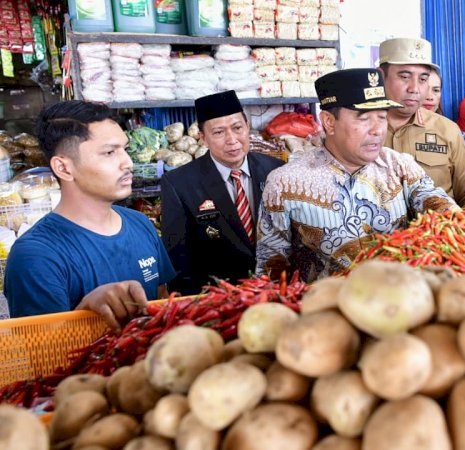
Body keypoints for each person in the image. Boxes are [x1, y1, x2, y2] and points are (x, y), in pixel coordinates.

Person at [255, 68, 457, 281]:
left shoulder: (401, 167)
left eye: (381, 117)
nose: (378, 130)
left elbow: (444, 210)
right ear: (329, 122)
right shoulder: (285, 183)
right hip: (326, 308)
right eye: (364, 118)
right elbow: (271, 270)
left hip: (400, 300)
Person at [4, 101, 175, 329]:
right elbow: (45, 357)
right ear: (64, 168)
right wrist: (85, 311)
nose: (128, 162)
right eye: (109, 152)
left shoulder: (140, 223)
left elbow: (162, 299)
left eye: (124, 149)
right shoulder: (35, 255)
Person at [160, 91, 284, 295]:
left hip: (274, 292)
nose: (232, 140)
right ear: (203, 139)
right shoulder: (179, 183)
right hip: (217, 302)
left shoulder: (276, 169)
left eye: (237, 128)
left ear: (247, 127)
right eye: (218, 132)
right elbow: (178, 258)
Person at [379, 37, 465, 207]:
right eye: (404, 76)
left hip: (436, 232)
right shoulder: (361, 131)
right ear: (381, 76)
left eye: (423, 79)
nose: (415, 88)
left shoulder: (447, 131)